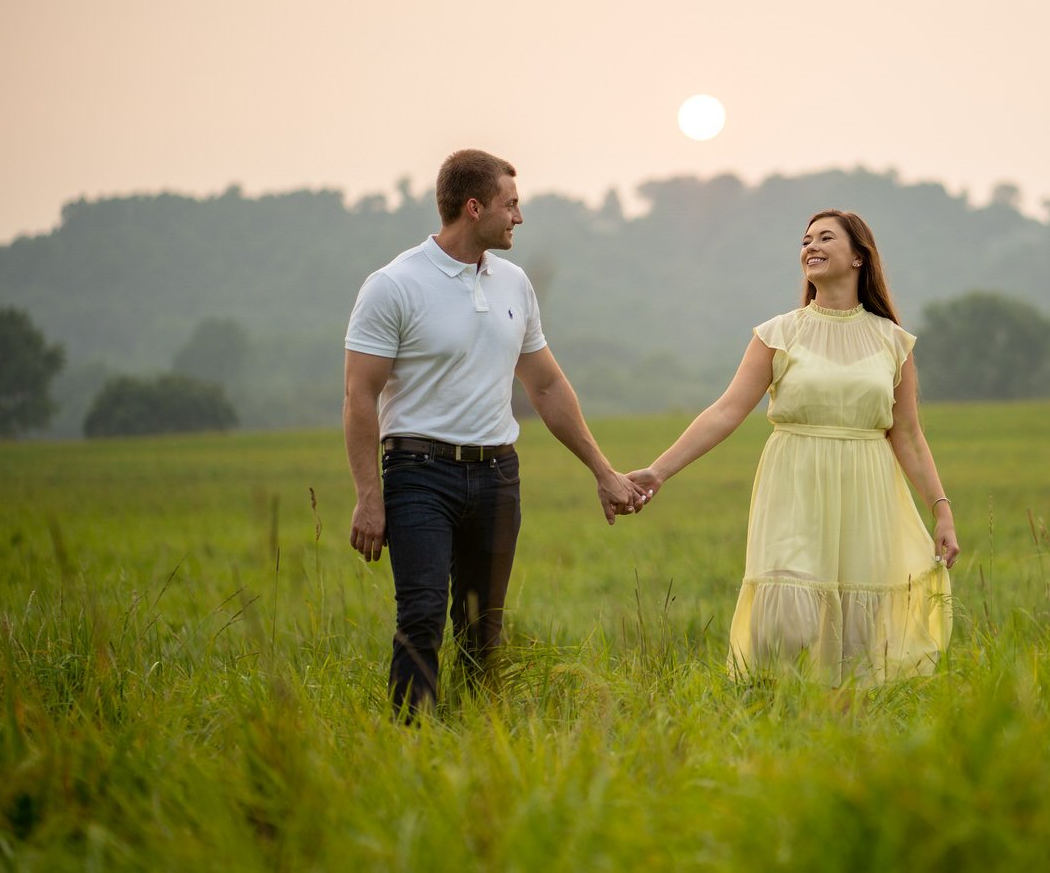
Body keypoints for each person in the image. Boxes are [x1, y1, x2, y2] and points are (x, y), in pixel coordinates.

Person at [343, 148, 647, 718]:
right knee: (423, 614)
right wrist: (368, 498)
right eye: (511, 204)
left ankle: (482, 732)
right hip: (417, 476)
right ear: (473, 206)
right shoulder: (393, 285)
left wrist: (603, 471)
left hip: (496, 475)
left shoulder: (514, 283)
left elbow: (547, 386)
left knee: (483, 624)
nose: (520, 217)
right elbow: (360, 396)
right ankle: (411, 739)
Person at [630, 209, 958, 685]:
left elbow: (907, 433)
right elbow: (726, 412)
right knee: (785, 618)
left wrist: (941, 509)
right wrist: (658, 471)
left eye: (826, 238)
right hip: (795, 484)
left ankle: (841, 732)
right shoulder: (778, 334)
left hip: (867, 489)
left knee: (857, 634)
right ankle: (772, 705)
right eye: (806, 240)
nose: (811, 246)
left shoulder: (893, 342)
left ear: (859, 258)